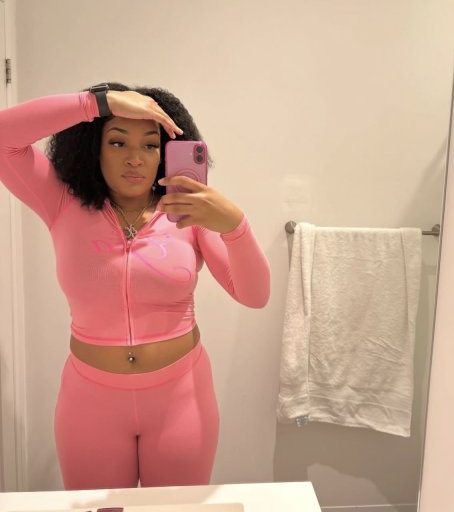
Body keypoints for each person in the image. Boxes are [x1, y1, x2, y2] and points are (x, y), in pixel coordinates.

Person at [0, 82, 270, 490]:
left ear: (166, 153)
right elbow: (5, 137)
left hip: (181, 398)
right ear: (94, 146)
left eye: (150, 145)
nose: (135, 158)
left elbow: (254, 295)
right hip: (91, 404)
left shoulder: (187, 212)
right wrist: (97, 102)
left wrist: (236, 226)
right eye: (118, 141)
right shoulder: (62, 202)